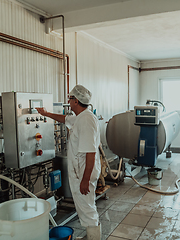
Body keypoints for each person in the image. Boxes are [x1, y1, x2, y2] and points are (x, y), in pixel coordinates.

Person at [36, 85, 101, 240]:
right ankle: (91, 236)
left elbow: (90, 153)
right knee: (85, 207)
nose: (68, 101)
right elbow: (65, 119)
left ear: (76, 101)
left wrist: (85, 180)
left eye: (70, 98)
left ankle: (94, 238)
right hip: (80, 171)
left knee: (87, 209)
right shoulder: (81, 117)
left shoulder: (86, 121)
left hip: (84, 172)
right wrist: (45, 113)